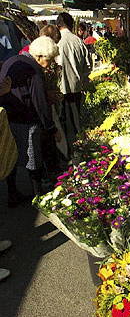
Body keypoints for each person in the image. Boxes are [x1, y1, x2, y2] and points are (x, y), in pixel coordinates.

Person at [0, 36, 61, 205]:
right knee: (33, 157)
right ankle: (38, 194)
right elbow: (39, 101)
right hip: (26, 119)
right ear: (40, 56)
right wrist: (51, 127)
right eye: (49, 60)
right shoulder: (33, 69)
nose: (50, 64)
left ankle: (13, 193)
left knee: (10, 154)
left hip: (8, 117)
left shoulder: (12, 60)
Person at [56, 13, 91, 153]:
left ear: (58, 25)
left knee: (63, 122)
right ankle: (80, 149)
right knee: (76, 122)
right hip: (76, 88)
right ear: (71, 25)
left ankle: (68, 153)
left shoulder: (57, 42)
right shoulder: (78, 41)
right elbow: (88, 66)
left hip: (60, 90)